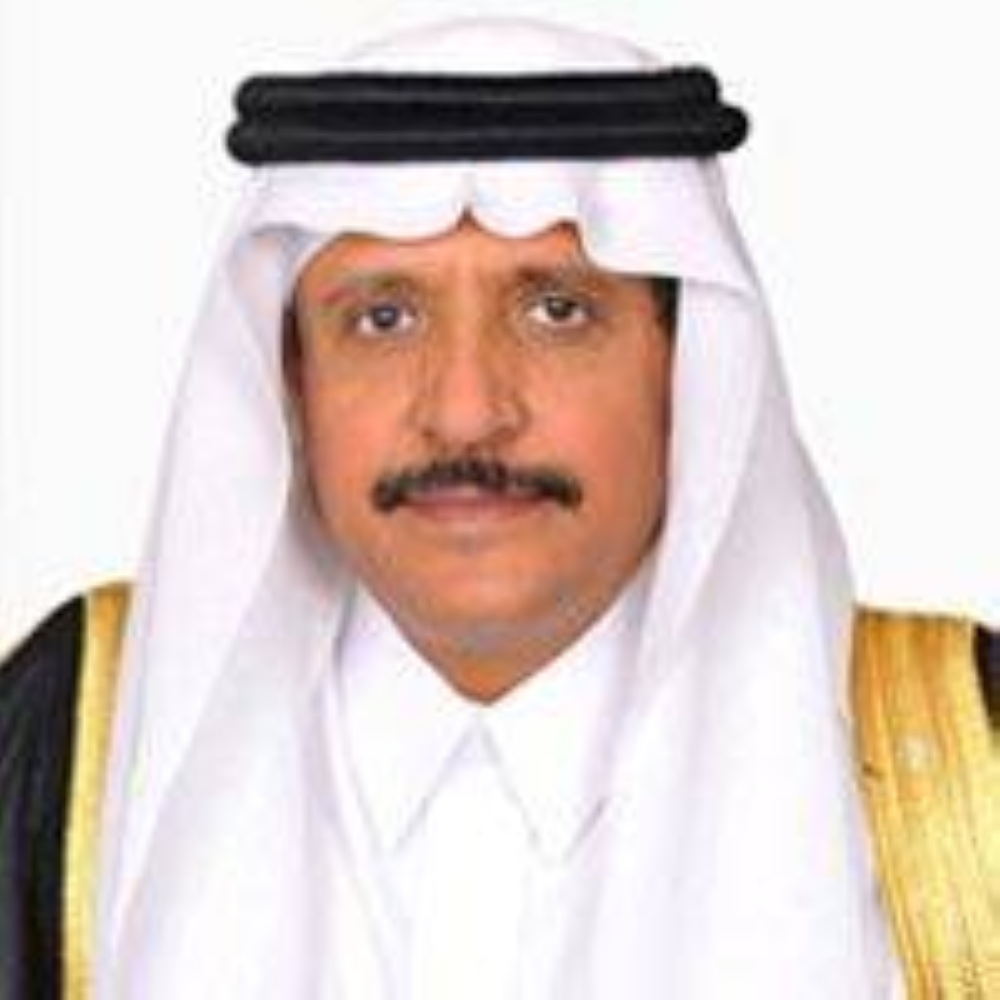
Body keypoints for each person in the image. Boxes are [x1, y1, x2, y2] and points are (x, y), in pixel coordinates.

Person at [1, 16, 997, 1000]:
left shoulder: (966, 761)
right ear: (291, 382)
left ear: (688, 367)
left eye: (557, 311)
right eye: (383, 319)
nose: (466, 411)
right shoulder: (70, 741)